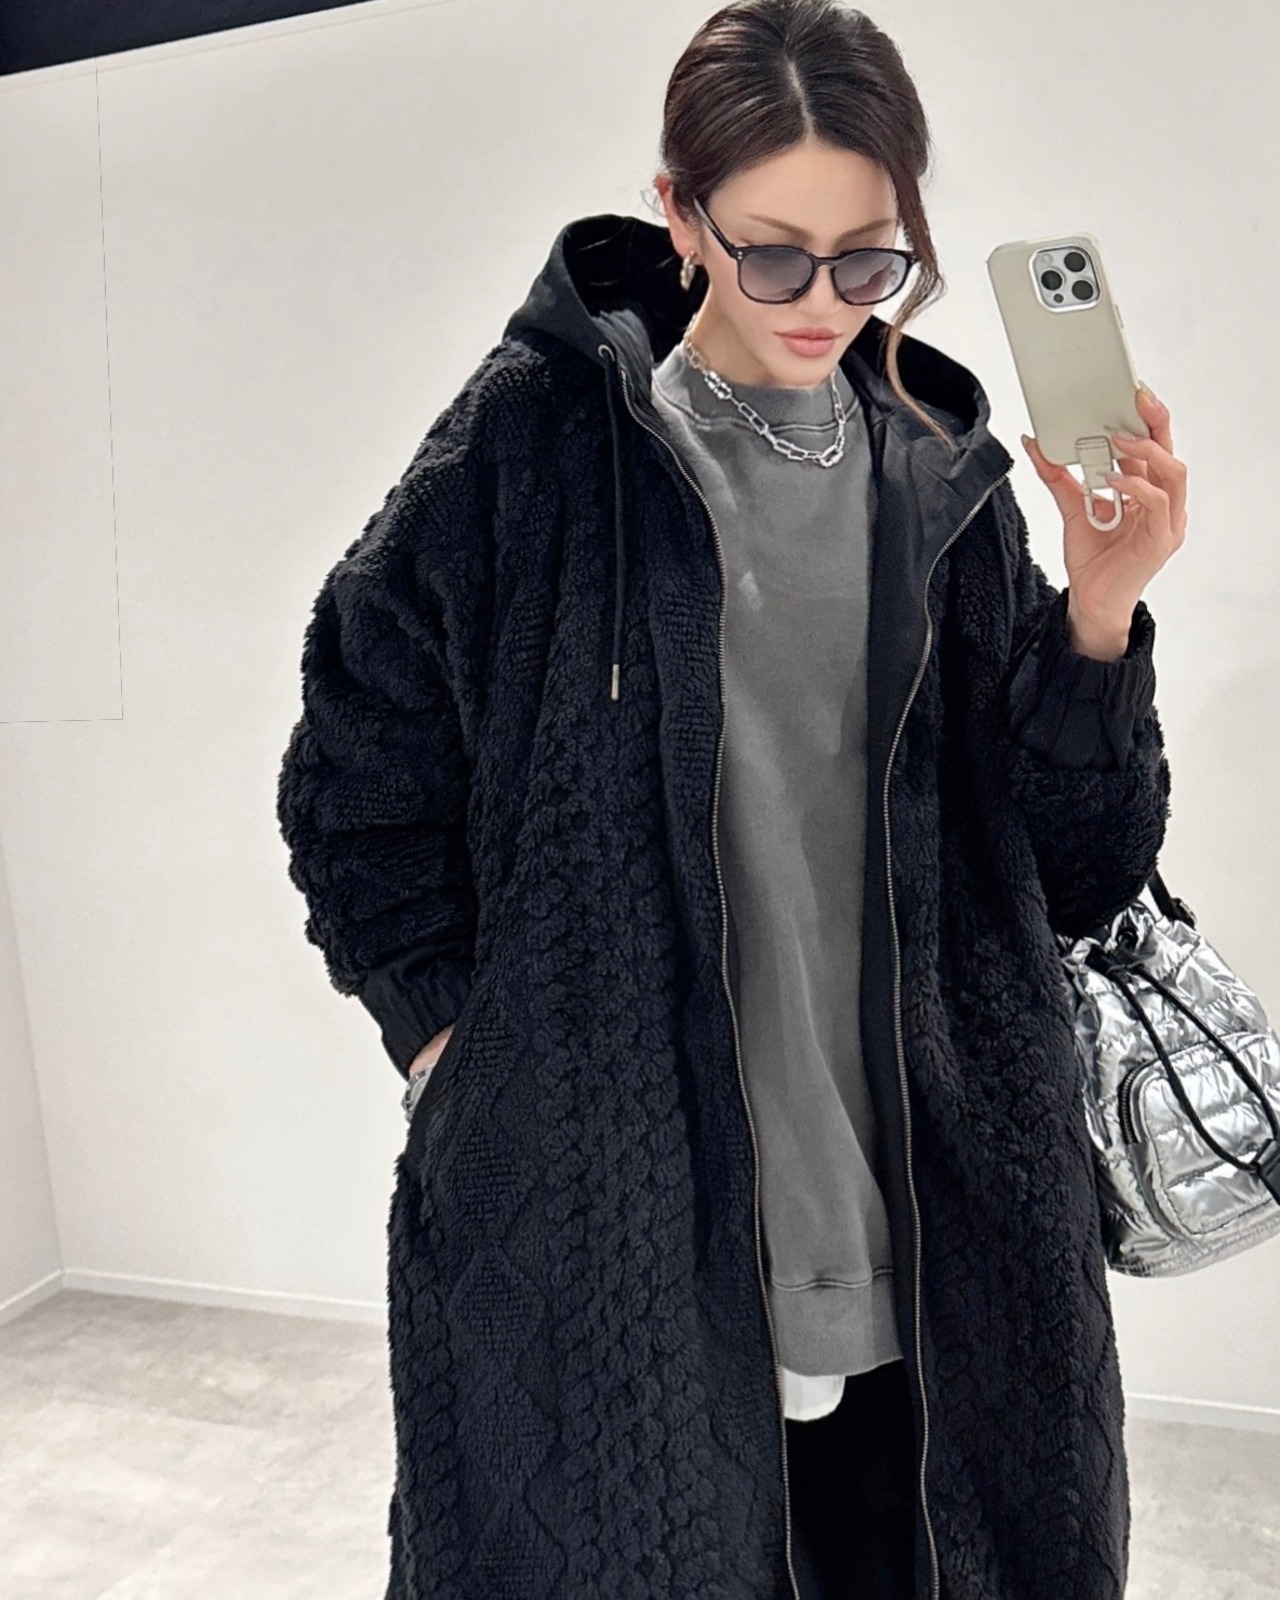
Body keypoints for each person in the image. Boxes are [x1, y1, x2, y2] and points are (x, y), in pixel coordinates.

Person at [275, 3, 1186, 1596]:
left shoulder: (940, 471)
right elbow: (354, 774)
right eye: (773, 255)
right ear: (680, 214)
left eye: (870, 259)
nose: (824, 303)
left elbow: (1079, 869)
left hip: (944, 1243)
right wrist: (453, 1051)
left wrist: (1101, 614)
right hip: (622, 1233)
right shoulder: (535, 448)